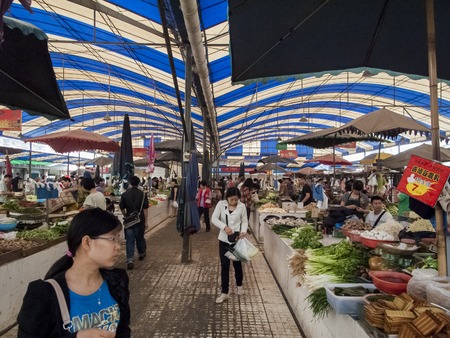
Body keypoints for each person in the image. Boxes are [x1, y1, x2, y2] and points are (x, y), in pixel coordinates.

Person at [17, 208, 130, 337]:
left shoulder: (117, 281)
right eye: (112, 239)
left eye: (118, 239)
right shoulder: (44, 293)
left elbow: (123, 328)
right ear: (87, 242)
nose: (118, 246)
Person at [211, 187, 248, 304]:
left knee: (237, 263)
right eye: (232, 200)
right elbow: (214, 219)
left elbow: (245, 220)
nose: (234, 202)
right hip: (224, 239)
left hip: (236, 239)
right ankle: (224, 292)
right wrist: (224, 227)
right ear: (227, 198)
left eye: (236, 200)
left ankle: (239, 286)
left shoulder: (242, 206)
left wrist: (243, 231)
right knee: (225, 265)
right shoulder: (221, 205)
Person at [120, 175, 149, 269]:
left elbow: (121, 207)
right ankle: (142, 253)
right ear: (138, 183)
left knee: (129, 240)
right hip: (140, 220)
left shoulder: (124, 194)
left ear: (130, 183)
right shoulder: (143, 194)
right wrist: (146, 222)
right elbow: (145, 209)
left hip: (129, 221)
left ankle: (130, 259)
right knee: (140, 237)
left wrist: (125, 216)